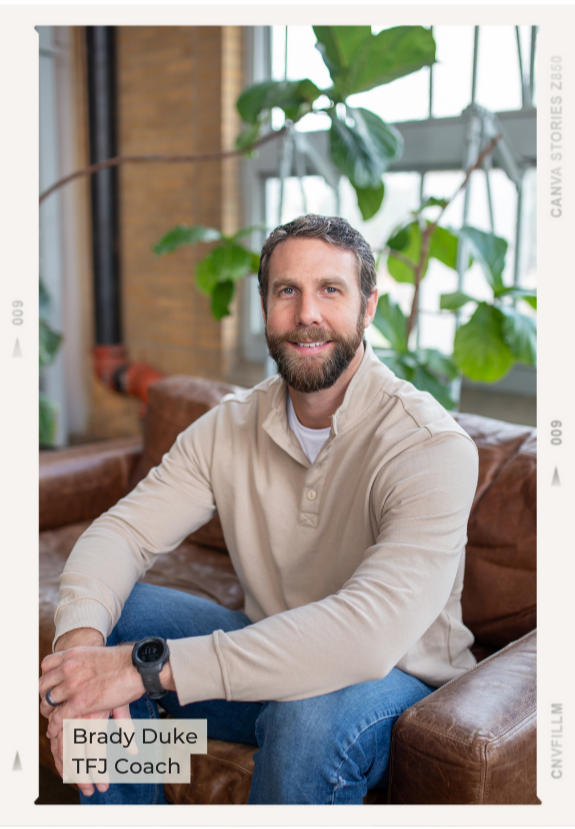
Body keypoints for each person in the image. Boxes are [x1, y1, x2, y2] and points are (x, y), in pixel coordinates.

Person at [39, 214, 479, 805]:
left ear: (369, 306)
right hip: (268, 658)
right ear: (265, 306)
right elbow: (122, 533)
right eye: (286, 291)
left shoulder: (430, 445)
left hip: (393, 686)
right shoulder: (229, 425)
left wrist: (146, 670)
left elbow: (367, 637)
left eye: (331, 290)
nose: (306, 314)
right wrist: (81, 662)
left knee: (307, 715)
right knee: (110, 622)